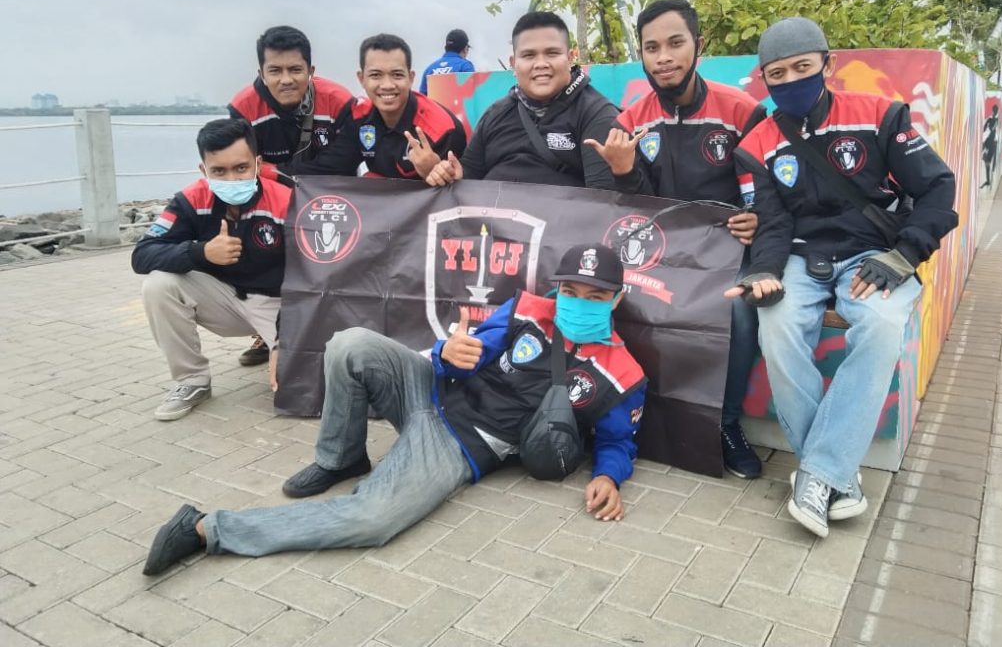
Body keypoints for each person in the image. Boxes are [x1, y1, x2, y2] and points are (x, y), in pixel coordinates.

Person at [142, 244, 647, 575]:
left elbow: (618, 441)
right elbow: (470, 352)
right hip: (429, 391)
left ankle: (207, 528)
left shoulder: (623, 373)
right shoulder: (526, 309)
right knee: (350, 343)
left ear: (616, 299)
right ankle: (340, 458)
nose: (577, 301)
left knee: (372, 520)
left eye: (594, 295)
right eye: (570, 291)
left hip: (460, 444)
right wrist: (450, 354)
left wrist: (609, 476)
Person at [729, 17, 957, 538]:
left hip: (875, 253)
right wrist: (763, 270)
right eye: (777, 74)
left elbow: (938, 189)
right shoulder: (757, 143)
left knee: (879, 325)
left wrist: (904, 255)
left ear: (827, 65)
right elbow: (772, 221)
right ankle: (836, 476)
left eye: (802, 68)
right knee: (777, 326)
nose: (791, 81)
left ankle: (817, 474)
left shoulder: (880, 114)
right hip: (800, 257)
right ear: (764, 79)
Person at [585, 0, 767, 480]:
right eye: (652, 48)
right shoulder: (629, 121)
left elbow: (768, 190)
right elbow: (632, 208)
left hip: (725, 250)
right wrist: (623, 171)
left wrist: (757, 219)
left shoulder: (741, 110)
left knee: (738, 311)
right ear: (642, 55)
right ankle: (628, 415)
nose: (663, 57)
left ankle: (725, 424)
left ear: (697, 45)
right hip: (658, 251)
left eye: (675, 43)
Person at [131, 119, 291, 421]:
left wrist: (285, 339)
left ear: (258, 164)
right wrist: (200, 252)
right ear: (203, 170)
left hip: (278, 305)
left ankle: (275, 345)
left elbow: (312, 275)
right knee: (158, 285)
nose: (231, 179)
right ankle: (192, 381)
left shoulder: (286, 199)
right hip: (223, 302)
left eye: (241, 168)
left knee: (301, 387)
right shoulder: (191, 199)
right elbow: (142, 254)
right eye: (219, 171)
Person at [227, 25, 354, 366]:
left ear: (311, 70)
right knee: (260, 249)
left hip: (329, 200)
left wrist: (275, 172)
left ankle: (334, 332)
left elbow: (344, 162)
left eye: (295, 69)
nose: (286, 79)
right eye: (275, 70)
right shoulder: (243, 107)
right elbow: (242, 168)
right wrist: (275, 178)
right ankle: (265, 331)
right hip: (268, 203)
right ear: (261, 72)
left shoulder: (340, 101)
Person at [425, 11, 617, 190]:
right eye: (528, 55)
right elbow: (468, 175)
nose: (541, 64)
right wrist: (450, 175)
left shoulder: (596, 114)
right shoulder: (495, 114)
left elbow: (602, 200)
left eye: (552, 53)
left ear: (570, 58)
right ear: (513, 63)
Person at [293, 34, 467, 181]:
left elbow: (462, 187)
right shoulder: (358, 116)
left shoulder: (444, 129)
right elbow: (332, 166)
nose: (387, 85)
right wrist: (278, 173)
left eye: (397, 75)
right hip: (381, 203)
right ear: (361, 79)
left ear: (411, 78)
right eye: (376, 75)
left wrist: (435, 173)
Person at [419, 28, 475, 94]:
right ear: (465, 49)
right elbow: (472, 95)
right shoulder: (465, 66)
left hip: (433, 101)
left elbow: (421, 97)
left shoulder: (429, 69)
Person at [981, 104, 998, 188]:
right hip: (993, 142)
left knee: (987, 160)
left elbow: (986, 130)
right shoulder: (996, 120)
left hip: (989, 143)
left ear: (992, 111)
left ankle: (988, 180)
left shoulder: (990, 120)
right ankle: (989, 179)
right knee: (989, 161)